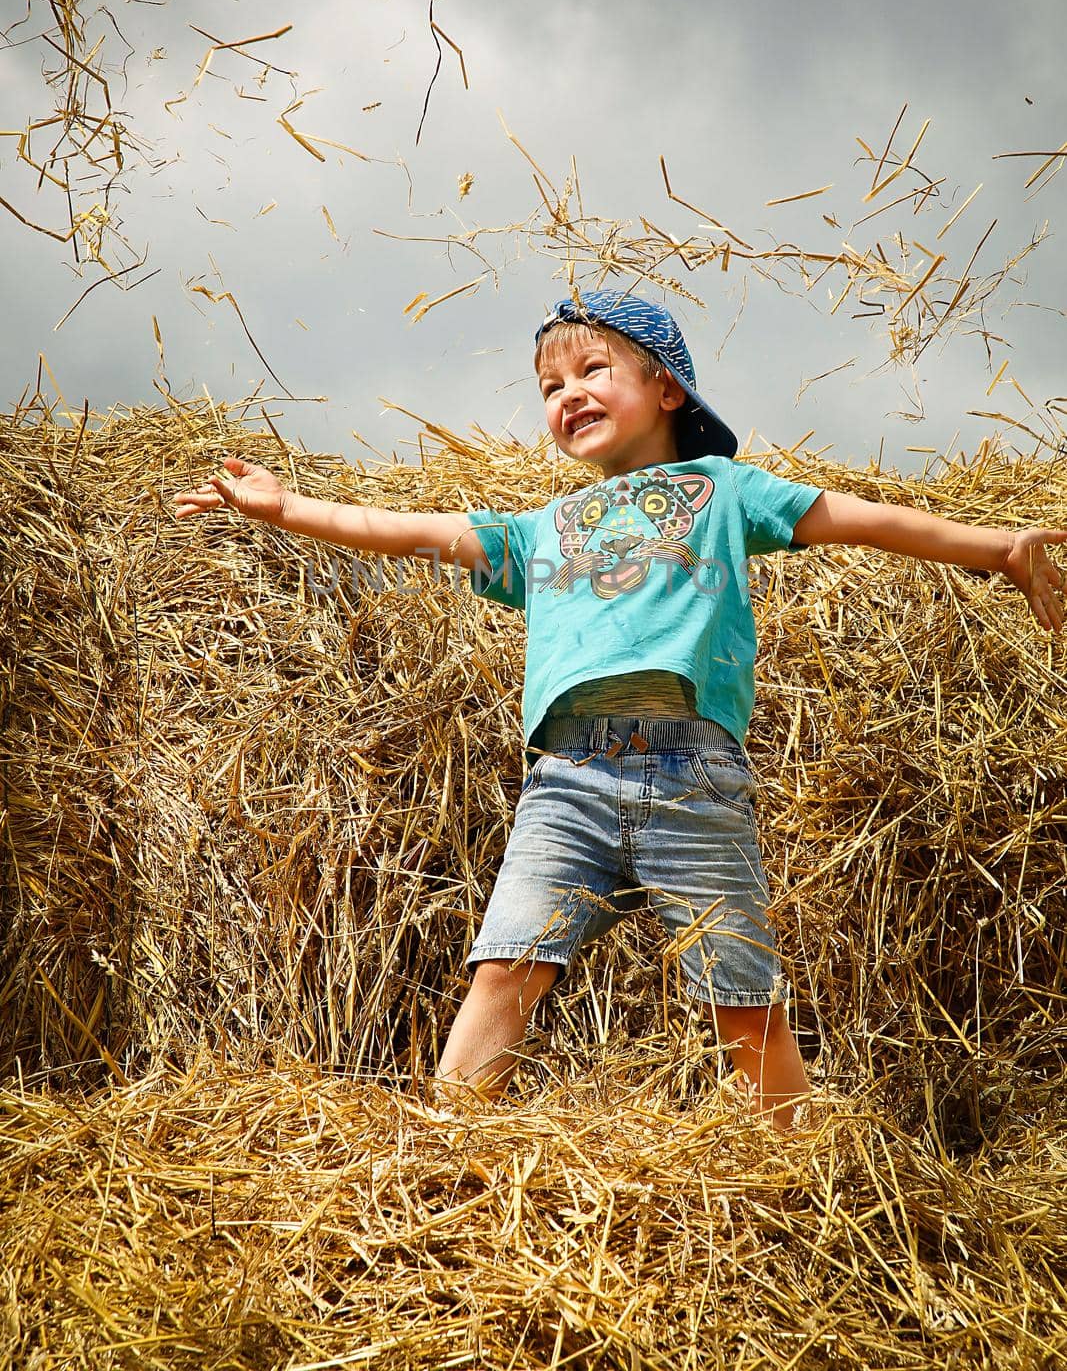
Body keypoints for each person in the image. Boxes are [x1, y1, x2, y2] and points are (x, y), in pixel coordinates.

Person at [173, 289, 1065, 1129]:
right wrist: (289, 508)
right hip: (566, 779)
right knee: (505, 969)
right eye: (550, 387)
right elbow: (418, 530)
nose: (568, 395)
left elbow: (867, 519)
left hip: (691, 775)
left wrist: (1001, 548)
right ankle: (443, 1156)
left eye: (593, 371)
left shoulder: (721, 489)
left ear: (666, 386)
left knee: (740, 1003)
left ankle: (802, 1170)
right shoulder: (538, 531)